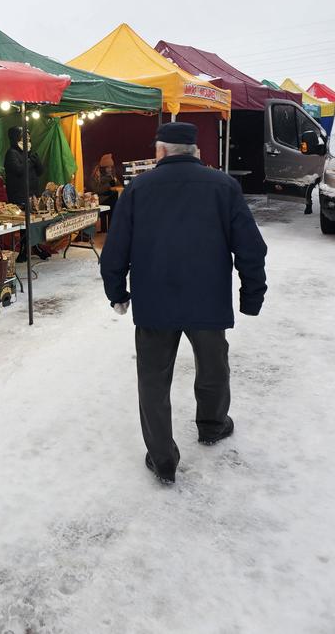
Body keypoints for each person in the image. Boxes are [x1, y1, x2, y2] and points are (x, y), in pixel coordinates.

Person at [100, 122, 267, 485]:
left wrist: (117, 292)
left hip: (154, 302)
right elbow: (251, 248)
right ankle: (212, 425)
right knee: (213, 367)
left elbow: (114, 250)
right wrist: (251, 295)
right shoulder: (224, 187)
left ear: (159, 151)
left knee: (153, 379)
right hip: (208, 300)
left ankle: (162, 458)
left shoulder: (137, 189)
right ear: (196, 152)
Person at [4, 126, 46, 262]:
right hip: (19, 195)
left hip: (33, 193)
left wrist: (36, 161)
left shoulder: (29, 153)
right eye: (24, 138)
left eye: (28, 138)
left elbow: (40, 172)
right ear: (16, 139)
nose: (27, 141)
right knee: (25, 224)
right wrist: (30, 161)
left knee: (34, 222)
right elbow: (18, 170)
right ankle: (23, 250)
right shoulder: (11, 154)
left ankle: (35, 247)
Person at [88, 153, 120, 232]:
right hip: (97, 200)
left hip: (106, 199)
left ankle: (109, 228)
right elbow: (97, 190)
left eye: (110, 167)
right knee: (113, 200)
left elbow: (117, 186)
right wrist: (109, 185)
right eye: (108, 167)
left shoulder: (110, 176)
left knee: (114, 197)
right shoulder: (95, 177)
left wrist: (114, 183)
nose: (110, 169)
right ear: (103, 168)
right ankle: (110, 228)